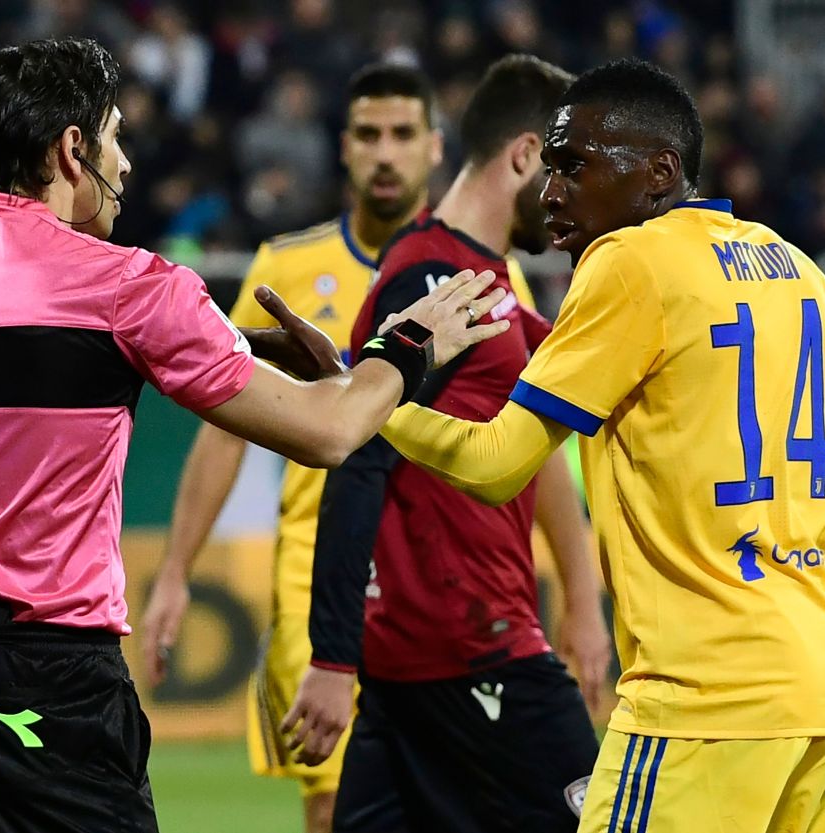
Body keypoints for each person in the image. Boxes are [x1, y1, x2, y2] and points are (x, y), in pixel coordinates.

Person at [0, 37, 508, 833]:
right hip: (49, 679)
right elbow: (329, 431)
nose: (127, 162)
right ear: (72, 149)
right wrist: (408, 343)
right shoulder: (127, 287)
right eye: (115, 136)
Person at [369, 59, 825, 831]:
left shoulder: (629, 261)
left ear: (659, 172)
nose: (550, 192)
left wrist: (364, 400)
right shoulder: (801, 273)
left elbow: (495, 461)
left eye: (574, 166)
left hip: (707, 696)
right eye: (547, 167)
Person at [281, 55, 605, 833]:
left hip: (420, 666)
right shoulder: (433, 284)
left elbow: (542, 442)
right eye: (565, 170)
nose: (570, 198)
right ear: (525, 155)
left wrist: (585, 604)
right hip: (472, 649)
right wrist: (331, 657)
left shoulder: (485, 285)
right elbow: (359, 453)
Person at [137, 62, 443, 833]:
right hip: (320, 577)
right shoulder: (287, 267)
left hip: (441, 574)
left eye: (402, 134)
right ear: (342, 147)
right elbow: (223, 426)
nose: (385, 152)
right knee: (335, 807)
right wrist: (175, 570)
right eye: (369, 134)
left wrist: (576, 598)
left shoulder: (480, 271)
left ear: (435, 148)